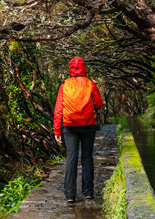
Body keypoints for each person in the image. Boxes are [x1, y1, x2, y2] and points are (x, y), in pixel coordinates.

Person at [53, 57, 103, 203]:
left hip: (69, 126)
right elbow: (99, 104)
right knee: (87, 157)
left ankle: (70, 194)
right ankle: (88, 192)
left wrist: (57, 130)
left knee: (71, 158)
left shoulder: (64, 86)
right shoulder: (90, 84)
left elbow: (58, 110)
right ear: (83, 68)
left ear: (70, 69)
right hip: (88, 126)